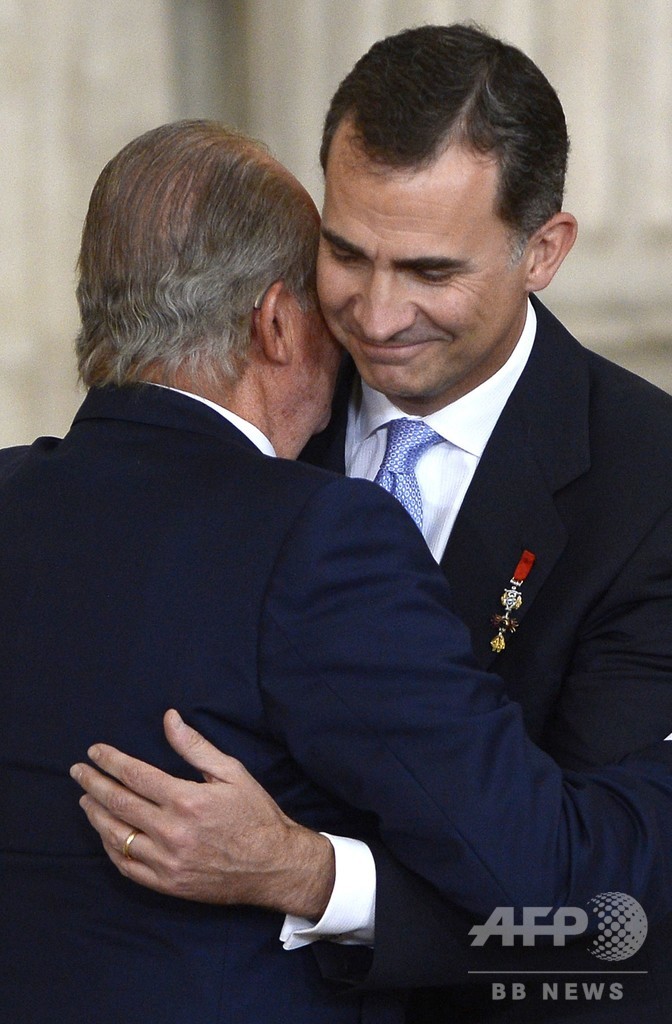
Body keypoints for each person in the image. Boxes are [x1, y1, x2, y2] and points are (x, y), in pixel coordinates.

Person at [71, 24, 672, 1024]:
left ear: (545, 251)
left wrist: (315, 878)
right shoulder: (244, 399)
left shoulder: (648, 481)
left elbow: (606, 902)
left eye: (432, 272)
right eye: (346, 252)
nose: (377, 317)